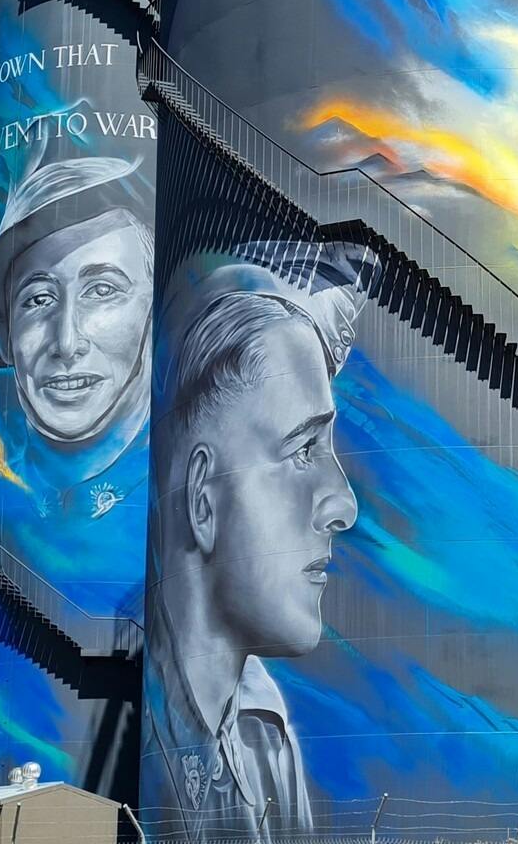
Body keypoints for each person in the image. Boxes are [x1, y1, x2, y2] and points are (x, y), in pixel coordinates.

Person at [146, 242, 372, 844]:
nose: (343, 504)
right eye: (303, 449)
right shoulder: (153, 733)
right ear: (202, 498)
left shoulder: (264, 734)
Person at [0, 151, 154, 518]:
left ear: (152, 312)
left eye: (102, 291)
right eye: (39, 299)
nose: (67, 343)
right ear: (7, 333)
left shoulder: (191, 482)